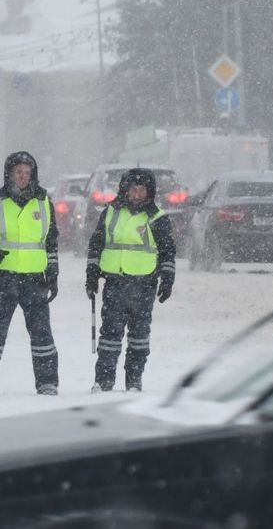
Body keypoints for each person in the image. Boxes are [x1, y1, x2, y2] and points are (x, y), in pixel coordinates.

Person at [0, 151, 60, 396]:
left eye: (27, 172)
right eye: (18, 172)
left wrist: (53, 272)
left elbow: (51, 242)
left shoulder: (44, 202)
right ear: (9, 174)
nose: (22, 177)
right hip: (3, 278)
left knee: (42, 333)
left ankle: (47, 383)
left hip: (35, 279)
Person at [85, 168, 176, 393]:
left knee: (139, 337)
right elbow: (97, 244)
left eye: (141, 190)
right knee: (110, 336)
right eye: (133, 189)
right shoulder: (110, 213)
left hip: (144, 284)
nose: (137, 194)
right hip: (115, 282)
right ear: (125, 190)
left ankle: (134, 380)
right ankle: (104, 380)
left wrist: (167, 278)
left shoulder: (157, 217)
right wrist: (92, 273)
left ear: (149, 192)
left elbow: (167, 251)